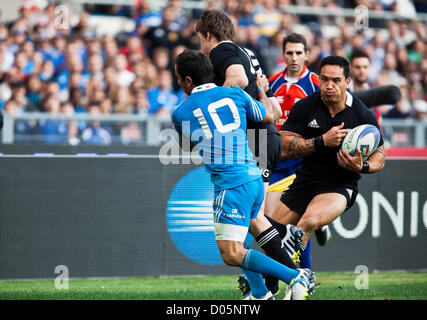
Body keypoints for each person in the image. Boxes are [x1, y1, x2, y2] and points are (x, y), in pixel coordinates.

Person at [172, 49, 316, 300]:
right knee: (244, 231)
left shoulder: (180, 111)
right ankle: (260, 294)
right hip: (254, 175)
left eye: (178, 78)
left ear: (187, 81)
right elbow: (270, 114)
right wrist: (261, 89)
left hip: (231, 182)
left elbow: (187, 146)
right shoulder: (235, 94)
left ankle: (295, 276)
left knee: (231, 253)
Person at [195, 9, 301, 297]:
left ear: (207, 34)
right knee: (253, 215)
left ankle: (296, 275)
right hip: (264, 134)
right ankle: (268, 281)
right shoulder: (245, 50)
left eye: (200, 39)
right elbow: (256, 86)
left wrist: (216, 107)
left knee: (253, 219)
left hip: (254, 137)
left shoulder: (220, 51)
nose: (201, 47)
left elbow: (238, 78)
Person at [271, 56, 386, 297]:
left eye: (335, 80)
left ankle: (295, 279)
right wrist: (322, 141)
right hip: (305, 180)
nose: (329, 86)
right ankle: (276, 284)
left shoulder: (362, 114)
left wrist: (361, 167)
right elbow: (284, 146)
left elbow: (380, 156)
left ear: (347, 82)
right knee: (269, 238)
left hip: (340, 184)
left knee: (308, 222)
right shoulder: (306, 106)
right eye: (324, 79)